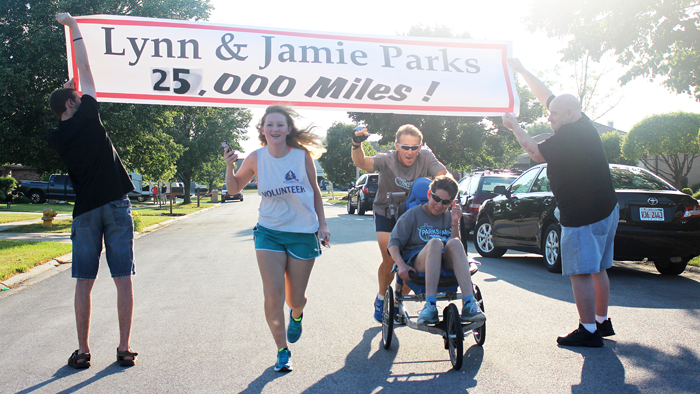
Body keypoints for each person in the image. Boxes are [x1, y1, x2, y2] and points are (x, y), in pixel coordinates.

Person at [502, 58, 619, 347]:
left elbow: (534, 152)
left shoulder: (569, 136)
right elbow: (546, 96)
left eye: (554, 114)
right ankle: (602, 323)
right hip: (606, 208)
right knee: (599, 268)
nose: (549, 117)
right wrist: (522, 69)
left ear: (568, 113)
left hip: (582, 213)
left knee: (579, 271)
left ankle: (588, 330)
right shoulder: (583, 121)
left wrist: (514, 127)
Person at [48, 13, 138, 368]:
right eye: (77, 95)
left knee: (83, 282)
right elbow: (85, 64)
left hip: (85, 212)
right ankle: (124, 348)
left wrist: (69, 93)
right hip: (115, 206)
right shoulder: (89, 114)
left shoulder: (58, 135)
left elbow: (70, 97)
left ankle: (83, 352)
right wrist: (73, 26)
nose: (82, 94)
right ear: (74, 102)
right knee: (123, 279)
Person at [223, 105, 330, 372]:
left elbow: (315, 190)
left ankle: (297, 314)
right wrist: (229, 166)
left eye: (280, 125)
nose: (275, 129)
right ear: (262, 130)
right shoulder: (256, 158)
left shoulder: (301, 156)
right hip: (268, 232)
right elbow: (234, 188)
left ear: (288, 129)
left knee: (295, 298)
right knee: (273, 295)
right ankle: (282, 351)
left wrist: (323, 225)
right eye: (269, 125)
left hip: (303, 232)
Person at [351, 125, 448, 323]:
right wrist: (356, 143)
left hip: (414, 215)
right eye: (405, 147)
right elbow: (362, 162)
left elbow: (444, 176)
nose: (410, 152)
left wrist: (447, 191)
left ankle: (397, 299)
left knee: (412, 264)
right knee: (390, 260)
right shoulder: (387, 159)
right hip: (387, 211)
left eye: (414, 147)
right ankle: (381, 297)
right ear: (397, 146)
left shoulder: (427, 157)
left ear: (420, 147)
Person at [387, 175, 485, 325]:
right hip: (419, 260)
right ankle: (430, 305)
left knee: (455, 243)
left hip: (443, 260)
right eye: (436, 199)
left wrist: (454, 223)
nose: (439, 205)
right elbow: (393, 243)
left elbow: (456, 248)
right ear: (429, 194)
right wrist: (401, 264)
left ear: (451, 203)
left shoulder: (449, 216)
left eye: (445, 202)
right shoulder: (413, 214)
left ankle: (469, 303)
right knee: (435, 243)